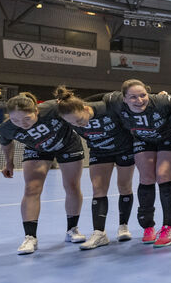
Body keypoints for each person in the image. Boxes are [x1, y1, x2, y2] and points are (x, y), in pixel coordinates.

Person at [0, 92, 86, 255]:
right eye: (15, 120)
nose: (22, 124)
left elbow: (78, 109)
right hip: (37, 149)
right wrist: (9, 162)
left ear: (36, 111)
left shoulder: (53, 108)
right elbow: (6, 144)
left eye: (27, 119)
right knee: (32, 188)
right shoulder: (6, 129)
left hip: (67, 145)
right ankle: (30, 237)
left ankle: (72, 229)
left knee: (72, 186)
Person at [103, 80, 171, 248]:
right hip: (143, 138)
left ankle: (168, 227)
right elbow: (100, 99)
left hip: (169, 138)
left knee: (163, 175)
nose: (139, 100)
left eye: (143, 95)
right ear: (124, 99)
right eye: (133, 97)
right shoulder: (113, 100)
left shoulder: (162, 101)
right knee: (147, 177)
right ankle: (148, 226)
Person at [56, 86, 135, 250]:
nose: (78, 124)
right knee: (98, 189)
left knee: (124, 186)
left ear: (85, 108)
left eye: (79, 120)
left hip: (124, 148)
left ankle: (123, 226)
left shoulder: (107, 107)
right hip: (100, 151)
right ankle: (99, 233)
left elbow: (133, 98)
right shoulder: (69, 116)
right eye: (72, 123)